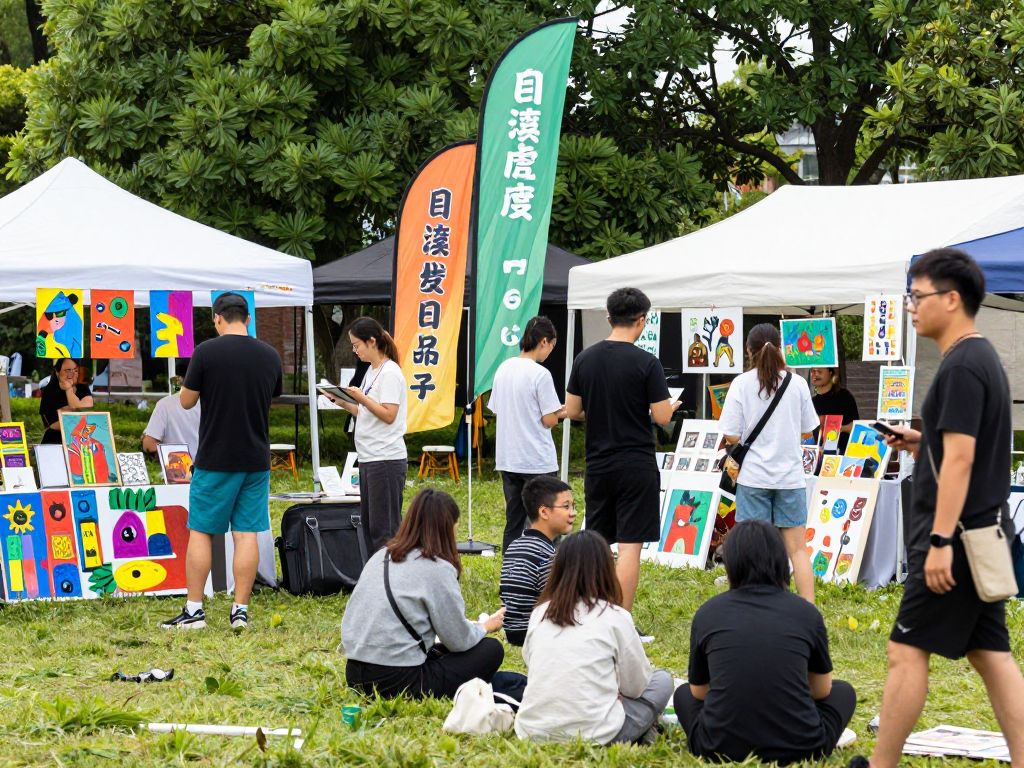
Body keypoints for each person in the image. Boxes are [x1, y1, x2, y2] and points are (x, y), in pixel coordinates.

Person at [850, 249, 1024, 768]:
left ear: (951, 299)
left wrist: (941, 541)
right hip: (982, 533)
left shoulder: (963, 366)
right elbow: (963, 449)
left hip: (957, 539)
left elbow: (964, 459)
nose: (910, 306)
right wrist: (921, 443)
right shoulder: (977, 358)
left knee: (905, 651)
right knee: (990, 655)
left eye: (917, 295)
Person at [674, 520, 856, 763]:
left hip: (716, 746)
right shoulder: (806, 613)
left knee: (683, 694)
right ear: (781, 560)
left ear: (731, 563)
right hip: (803, 747)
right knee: (844, 692)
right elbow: (822, 690)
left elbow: (698, 691)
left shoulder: (708, 613)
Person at [160, 292, 282, 631]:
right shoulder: (270, 355)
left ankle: (194, 611)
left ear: (217, 318)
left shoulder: (206, 352)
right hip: (256, 458)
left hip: (215, 457)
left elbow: (186, 402)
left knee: (202, 531)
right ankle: (240, 611)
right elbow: (271, 396)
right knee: (246, 533)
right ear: (248, 318)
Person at [565, 288, 679, 633]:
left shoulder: (585, 359)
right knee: (630, 547)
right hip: (636, 463)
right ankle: (620, 624)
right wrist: (667, 406)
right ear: (641, 320)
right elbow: (662, 416)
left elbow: (572, 409)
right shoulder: (647, 362)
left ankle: (590, 614)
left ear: (608, 317)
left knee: (598, 543)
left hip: (598, 463)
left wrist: (602, 409)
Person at [342, 488, 506, 699]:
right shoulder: (438, 568)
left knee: (441, 649)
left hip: (354, 673)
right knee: (491, 649)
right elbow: (458, 641)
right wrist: (485, 626)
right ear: (448, 528)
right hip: (397, 681)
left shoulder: (381, 556)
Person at [514, 530, 673, 745]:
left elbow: (530, 661)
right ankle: (644, 728)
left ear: (558, 568)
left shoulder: (540, 612)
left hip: (532, 731)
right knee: (662, 680)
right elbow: (636, 687)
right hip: (597, 734)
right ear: (606, 569)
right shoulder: (616, 616)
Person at [718, 323, 819, 603]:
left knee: (752, 549)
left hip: (753, 478)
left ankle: (753, 605)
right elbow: (808, 430)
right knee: (798, 550)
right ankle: (808, 607)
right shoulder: (797, 384)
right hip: (790, 478)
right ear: (780, 348)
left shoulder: (741, 384)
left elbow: (730, 434)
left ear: (748, 351)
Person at [324, 317, 407, 554]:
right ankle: (375, 573)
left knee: (384, 530)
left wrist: (361, 397)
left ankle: (388, 574)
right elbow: (365, 412)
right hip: (370, 457)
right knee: (371, 526)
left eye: (356, 345)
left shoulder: (390, 373)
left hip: (385, 459)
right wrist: (340, 400)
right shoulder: (372, 370)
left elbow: (389, 415)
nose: (354, 350)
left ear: (371, 341)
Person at [488, 316, 566, 552]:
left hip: (509, 458)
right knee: (548, 523)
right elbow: (549, 420)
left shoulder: (503, 368)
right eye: (552, 346)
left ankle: (511, 569)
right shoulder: (540, 374)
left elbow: (497, 408)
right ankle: (548, 570)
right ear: (544, 341)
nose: (550, 352)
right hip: (537, 460)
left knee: (513, 522)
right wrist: (561, 412)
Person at [499, 475, 575, 647]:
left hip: (513, 628)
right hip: (536, 631)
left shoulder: (515, 545)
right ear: (544, 512)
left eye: (573, 506)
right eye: (566, 506)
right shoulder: (546, 553)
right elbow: (558, 603)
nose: (573, 513)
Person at [39, 358, 93, 444]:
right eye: (67, 370)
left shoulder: (82, 386)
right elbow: (55, 424)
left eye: (75, 370)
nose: (71, 374)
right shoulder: (50, 391)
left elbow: (88, 405)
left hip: (81, 439)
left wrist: (69, 391)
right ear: (57, 372)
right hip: (56, 439)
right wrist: (69, 390)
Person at [142, 381, 201, 458]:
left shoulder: (165, 404)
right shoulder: (215, 404)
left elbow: (149, 445)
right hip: (211, 463)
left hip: (177, 464)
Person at [809, 367, 859, 451]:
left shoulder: (844, 396)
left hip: (842, 453)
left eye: (820, 371)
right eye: (813, 371)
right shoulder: (811, 402)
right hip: (818, 454)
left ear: (830, 372)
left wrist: (840, 428)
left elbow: (856, 427)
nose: (816, 374)